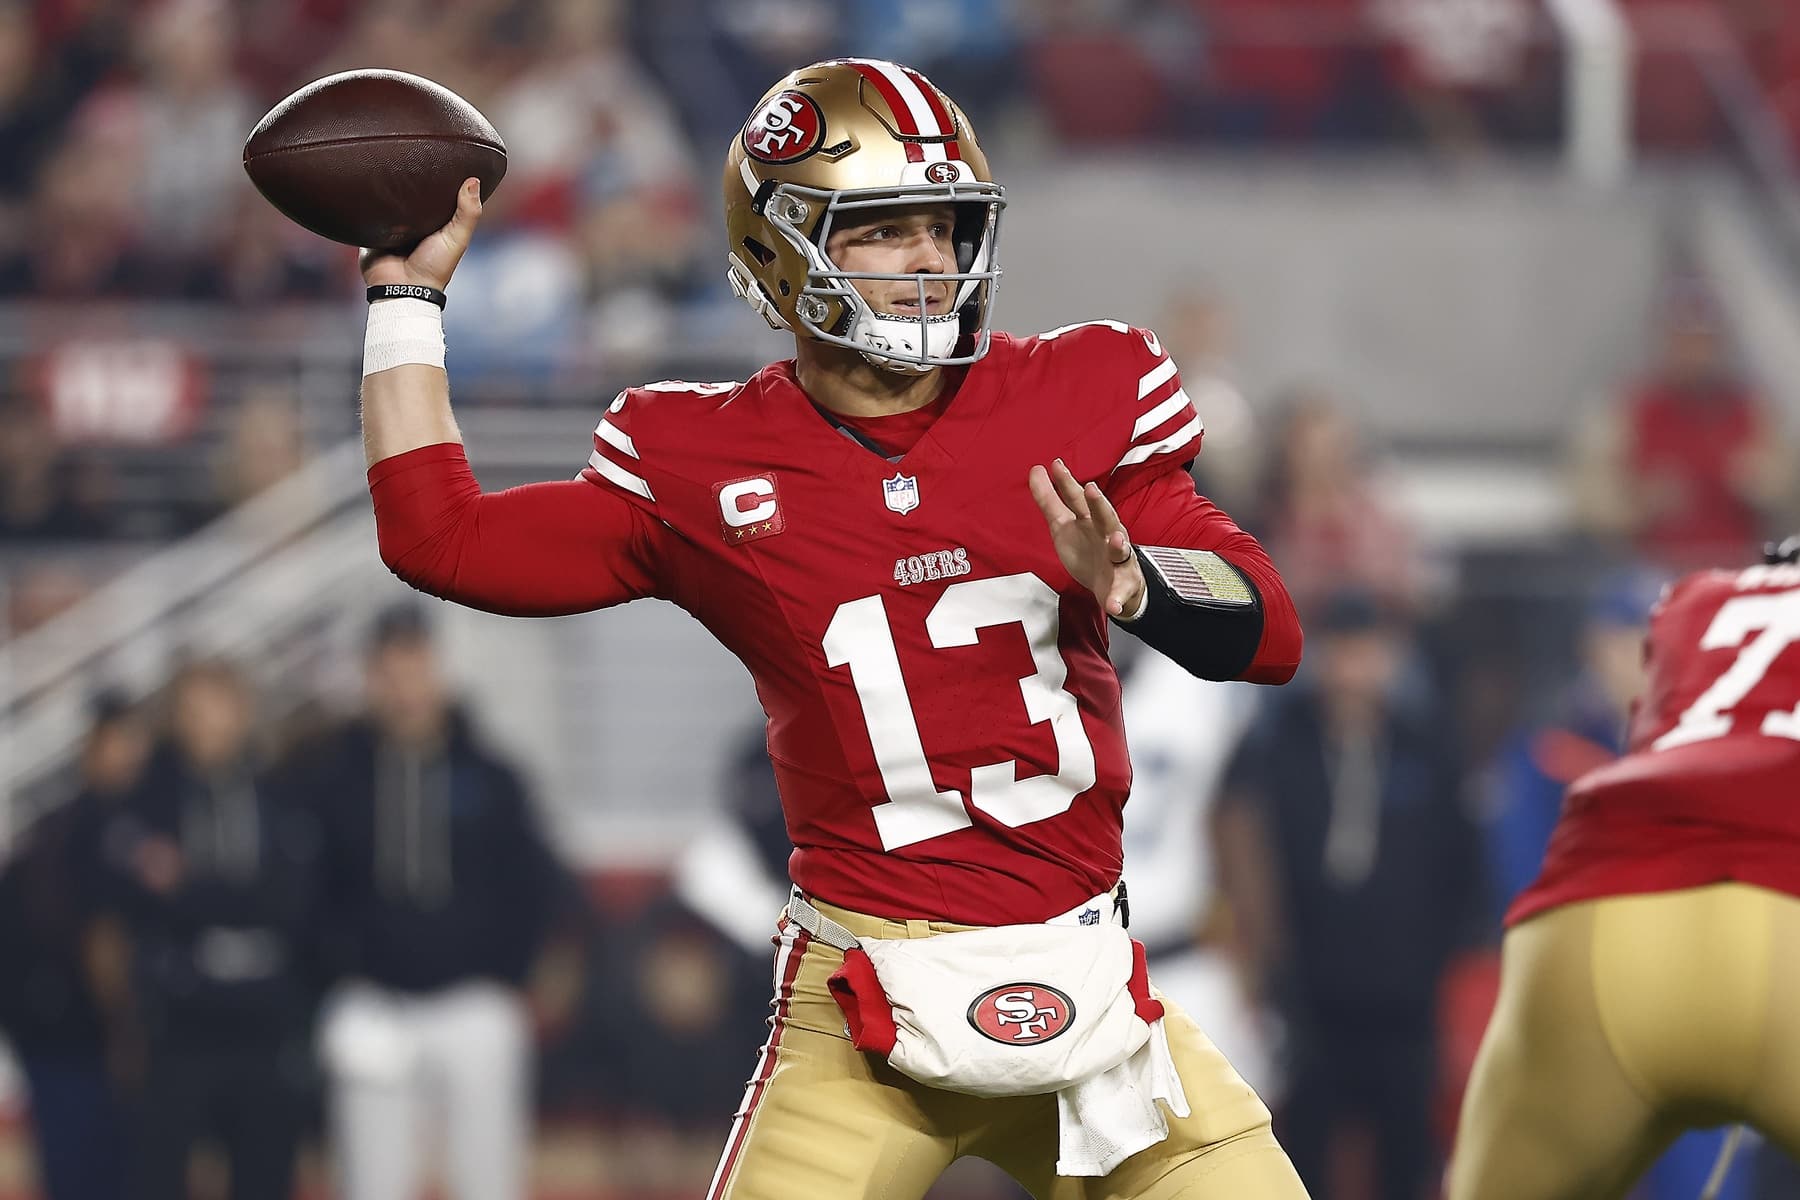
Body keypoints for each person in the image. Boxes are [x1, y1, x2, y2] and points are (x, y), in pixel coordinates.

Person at [355, 58, 1306, 1199]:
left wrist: (1140, 585)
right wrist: (405, 303)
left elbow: (1271, 631)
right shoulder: (702, 461)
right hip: (861, 1008)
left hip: (1094, 988)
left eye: (946, 227)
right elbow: (440, 539)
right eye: (885, 229)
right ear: (781, 247)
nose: (931, 262)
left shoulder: (1078, 395)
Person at [1447, 536, 1800, 1200]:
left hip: (1650, 993)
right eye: (1621, 636)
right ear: (1593, 646)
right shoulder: (1551, 754)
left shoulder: (1710, 707)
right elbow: (1522, 881)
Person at [1217, 588, 1485, 1200]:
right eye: (1342, 651)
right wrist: (1269, 968)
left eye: (1369, 652)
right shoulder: (1280, 745)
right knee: (1301, 1159)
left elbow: (1459, 866)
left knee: (1405, 1158)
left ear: (1391, 658)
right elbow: (1246, 849)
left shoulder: (1427, 746)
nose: (1355, 668)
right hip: (1311, 998)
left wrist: (1440, 966)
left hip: (1405, 1002)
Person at [305, 604, 565, 1200]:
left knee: (488, 1179)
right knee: (373, 1181)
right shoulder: (334, 779)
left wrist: (512, 973)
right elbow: (313, 889)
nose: (404, 687)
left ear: (438, 670)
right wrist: (340, 971)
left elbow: (533, 881)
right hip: (372, 1004)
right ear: (369, 679)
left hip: (475, 1002)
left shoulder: (493, 775)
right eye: (388, 671)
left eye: (415, 667)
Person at [98, 659, 320, 1200]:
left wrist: (191, 889)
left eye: (217, 709)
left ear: (242, 713)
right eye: (193, 712)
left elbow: (293, 898)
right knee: (160, 1177)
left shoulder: (279, 793)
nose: (206, 726)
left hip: (265, 1026)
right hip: (179, 1024)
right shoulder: (149, 796)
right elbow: (130, 885)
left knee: (265, 1175)